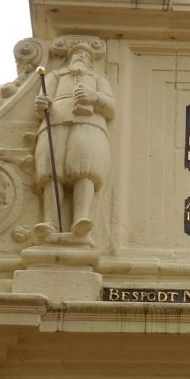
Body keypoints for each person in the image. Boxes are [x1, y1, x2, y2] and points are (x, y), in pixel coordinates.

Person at [33, 39, 115, 241]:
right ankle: (51, 221)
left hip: (89, 123)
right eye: (77, 54)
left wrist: (94, 98)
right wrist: (42, 104)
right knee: (52, 171)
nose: (81, 56)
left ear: (90, 62)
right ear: (69, 58)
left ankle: (82, 218)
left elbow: (112, 107)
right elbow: (42, 101)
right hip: (56, 121)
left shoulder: (97, 78)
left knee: (85, 170)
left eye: (86, 55)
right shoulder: (55, 75)